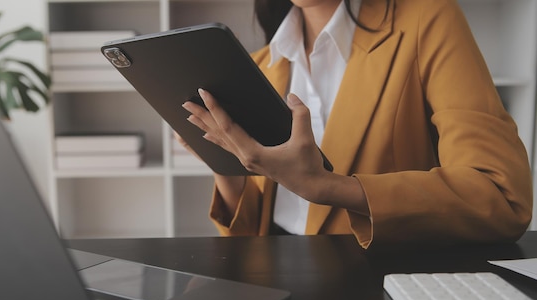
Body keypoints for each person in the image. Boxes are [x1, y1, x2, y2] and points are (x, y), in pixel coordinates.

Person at [179, 0, 533, 249]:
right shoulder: (260, 65)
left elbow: (502, 198)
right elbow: (247, 241)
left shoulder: (428, 19)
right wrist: (222, 160)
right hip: (272, 284)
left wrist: (326, 186)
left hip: (378, 282)